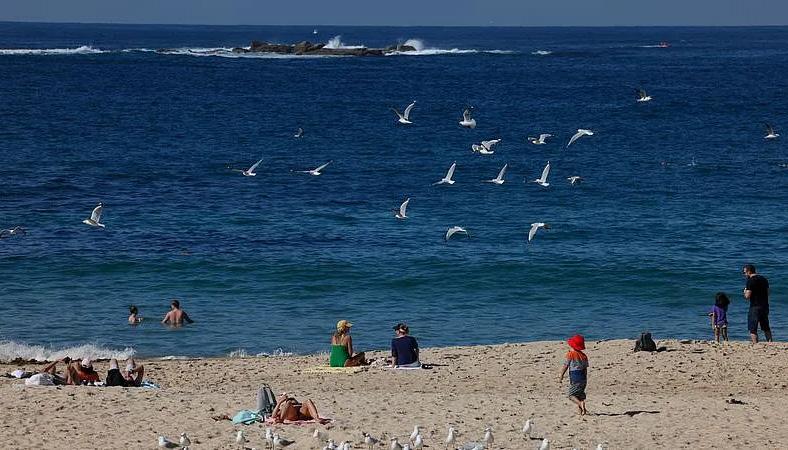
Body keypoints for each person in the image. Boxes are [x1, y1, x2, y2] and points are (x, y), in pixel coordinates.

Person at [559, 334, 589, 415]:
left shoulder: (570, 354)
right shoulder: (584, 356)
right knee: (579, 395)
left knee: (571, 395)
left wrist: (561, 375)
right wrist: (585, 378)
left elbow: (566, 366)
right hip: (583, 378)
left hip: (575, 378)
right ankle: (581, 411)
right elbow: (585, 369)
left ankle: (580, 404)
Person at [742, 264, 772, 343]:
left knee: (752, 328)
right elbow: (768, 293)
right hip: (765, 306)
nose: (744, 274)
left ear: (749, 271)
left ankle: (755, 344)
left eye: (744, 272)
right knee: (766, 327)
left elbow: (747, 296)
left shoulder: (750, 281)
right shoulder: (764, 279)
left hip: (755, 306)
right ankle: (770, 342)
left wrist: (744, 292)